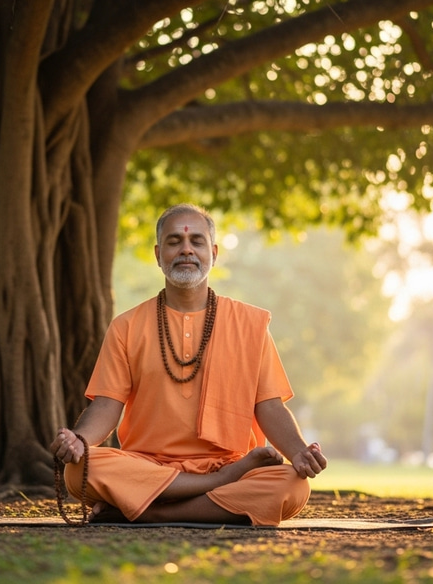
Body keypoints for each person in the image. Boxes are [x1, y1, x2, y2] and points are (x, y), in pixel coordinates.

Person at [50, 203, 327, 525]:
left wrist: (298, 451)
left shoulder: (249, 325)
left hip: (228, 462)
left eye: (196, 241)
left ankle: (147, 510)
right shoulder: (126, 326)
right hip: (148, 464)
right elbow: (106, 405)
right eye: (174, 242)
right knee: (80, 469)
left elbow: (270, 406)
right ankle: (210, 491)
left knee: (291, 484)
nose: (185, 250)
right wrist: (79, 441)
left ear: (213, 252)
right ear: (158, 254)